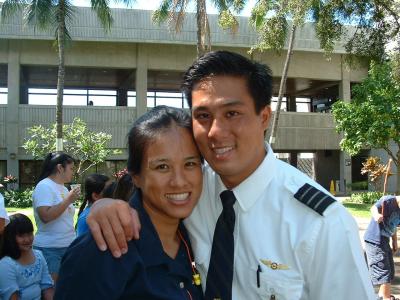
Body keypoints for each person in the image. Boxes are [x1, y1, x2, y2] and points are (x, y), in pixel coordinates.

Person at [87, 51, 376, 299]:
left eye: (232, 114)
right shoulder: (192, 192)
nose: (215, 132)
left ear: (264, 117)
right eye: (203, 116)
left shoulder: (319, 223)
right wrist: (105, 206)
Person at [54, 106, 204, 300]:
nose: (179, 181)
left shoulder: (196, 235)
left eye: (190, 164)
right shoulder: (103, 250)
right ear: (136, 177)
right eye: (162, 167)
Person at [32, 152, 81, 282]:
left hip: (67, 246)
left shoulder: (63, 188)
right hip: (50, 249)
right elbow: (45, 216)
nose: (73, 172)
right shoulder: (44, 186)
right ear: (60, 168)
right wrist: (69, 200)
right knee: (53, 290)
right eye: (71, 168)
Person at [0, 213, 54, 300]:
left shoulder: (39, 256)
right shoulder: (6, 264)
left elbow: (47, 287)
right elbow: (12, 297)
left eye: (30, 234)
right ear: (10, 238)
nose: (27, 239)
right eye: (21, 236)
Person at [364, 195, 400, 300]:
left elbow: (394, 224)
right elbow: (373, 207)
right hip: (374, 240)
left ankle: (381, 296)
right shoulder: (388, 200)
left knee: (390, 270)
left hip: (385, 240)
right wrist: (376, 215)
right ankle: (386, 297)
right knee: (383, 271)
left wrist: (394, 240)